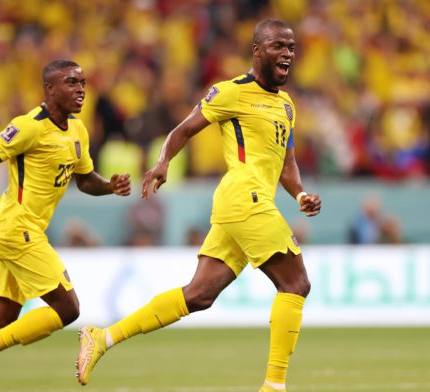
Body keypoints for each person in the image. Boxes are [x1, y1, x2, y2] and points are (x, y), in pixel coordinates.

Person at [76, 19, 321, 392]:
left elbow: (286, 165)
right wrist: (162, 162)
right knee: (296, 284)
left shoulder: (287, 106)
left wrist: (300, 195)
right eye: (278, 46)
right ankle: (274, 387)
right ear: (257, 51)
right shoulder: (229, 92)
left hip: (246, 204)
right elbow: (183, 129)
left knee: (199, 295)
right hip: (243, 196)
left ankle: (102, 337)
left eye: (291, 47)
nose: (287, 53)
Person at [0, 60, 131, 392]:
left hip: (23, 229)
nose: (80, 89)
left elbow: (84, 180)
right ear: (49, 89)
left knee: (0, 318)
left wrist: (110, 186)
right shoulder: (29, 126)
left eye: (83, 82)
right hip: (15, 227)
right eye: (70, 82)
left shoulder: (78, 130)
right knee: (68, 308)